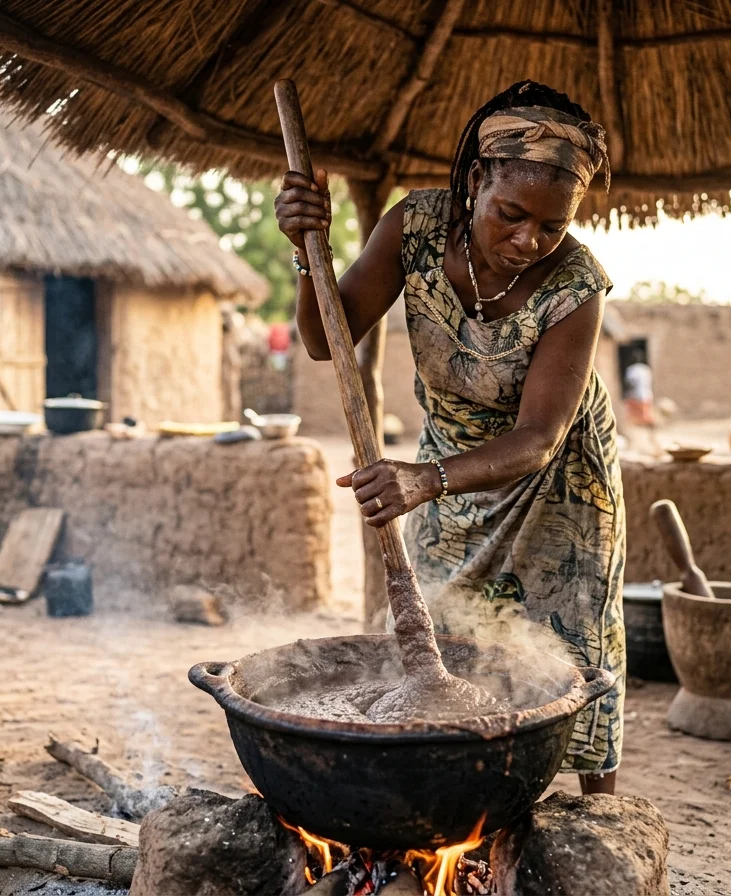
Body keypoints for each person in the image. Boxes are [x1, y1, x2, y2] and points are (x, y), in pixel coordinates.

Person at [275, 81, 625, 794]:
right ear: (474, 182)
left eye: (551, 226)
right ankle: (456, 797)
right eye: (511, 214)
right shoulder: (418, 226)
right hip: (446, 461)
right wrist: (304, 252)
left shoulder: (577, 284)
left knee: (570, 639)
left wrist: (422, 479)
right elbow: (321, 339)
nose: (529, 240)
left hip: (555, 482)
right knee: (449, 631)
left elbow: (538, 437)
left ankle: (601, 822)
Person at [622, 350, 661, 455]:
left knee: (632, 422)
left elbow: (629, 384)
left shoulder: (631, 370)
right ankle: (654, 443)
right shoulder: (646, 369)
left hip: (635, 398)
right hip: (646, 397)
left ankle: (632, 445)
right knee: (647, 421)